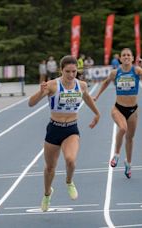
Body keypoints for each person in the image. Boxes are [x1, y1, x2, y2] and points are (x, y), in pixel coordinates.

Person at [28, 55, 100, 212]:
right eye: (68, 71)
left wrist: (97, 114)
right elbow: (31, 103)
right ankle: (47, 194)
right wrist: (40, 92)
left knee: (71, 160)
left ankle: (69, 182)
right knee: (50, 168)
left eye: (74, 71)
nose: (71, 75)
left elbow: (87, 98)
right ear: (61, 70)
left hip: (71, 129)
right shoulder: (52, 85)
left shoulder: (81, 85)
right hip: (54, 129)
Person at [93, 48, 142, 179]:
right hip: (118, 108)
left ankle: (128, 163)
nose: (126, 57)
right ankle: (116, 155)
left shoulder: (136, 70)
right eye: (124, 55)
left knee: (130, 138)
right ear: (120, 59)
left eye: (128, 55)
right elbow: (105, 83)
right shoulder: (115, 73)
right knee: (123, 128)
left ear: (132, 58)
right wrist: (96, 96)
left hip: (133, 110)